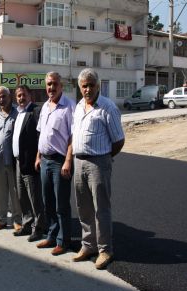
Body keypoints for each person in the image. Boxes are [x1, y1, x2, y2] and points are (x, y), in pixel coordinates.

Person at [71, 68, 125, 270]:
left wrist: (105, 159)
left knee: (101, 209)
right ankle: (88, 245)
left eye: (91, 85)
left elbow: (119, 140)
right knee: (83, 208)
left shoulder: (107, 107)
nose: (87, 89)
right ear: (80, 87)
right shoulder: (78, 107)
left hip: (98, 163)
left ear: (98, 86)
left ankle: (105, 250)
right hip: (79, 162)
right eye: (84, 86)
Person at [35, 71, 75, 256]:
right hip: (45, 160)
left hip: (60, 162)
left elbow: (73, 137)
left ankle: (63, 240)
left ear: (61, 86)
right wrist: (38, 156)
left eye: (54, 84)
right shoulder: (45, 106)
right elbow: (41, 134)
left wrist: (68, 160)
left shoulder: (69, 107)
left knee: (61, 204)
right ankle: (51, 236)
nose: (51, 87)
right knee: (48, 202)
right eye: (48, 84)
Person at [12, 85, 46, 241]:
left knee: (34, 197)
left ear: (30, 95)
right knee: (22, 196)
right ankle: (27, 224)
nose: (21, 98)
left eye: (23, 95)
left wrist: (38, 157)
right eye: (18, 95)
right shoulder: (18, 113)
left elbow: (41, 136)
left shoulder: (35, 111)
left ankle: (39, 228)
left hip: (31, 161)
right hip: (18, 162)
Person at [0, 86, 22, 231]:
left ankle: (17, 220)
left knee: (15, 192)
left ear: (10, 97)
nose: (1, 100)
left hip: (14, 160)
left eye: (4, 96)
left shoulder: (18, 113)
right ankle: (1, 220)